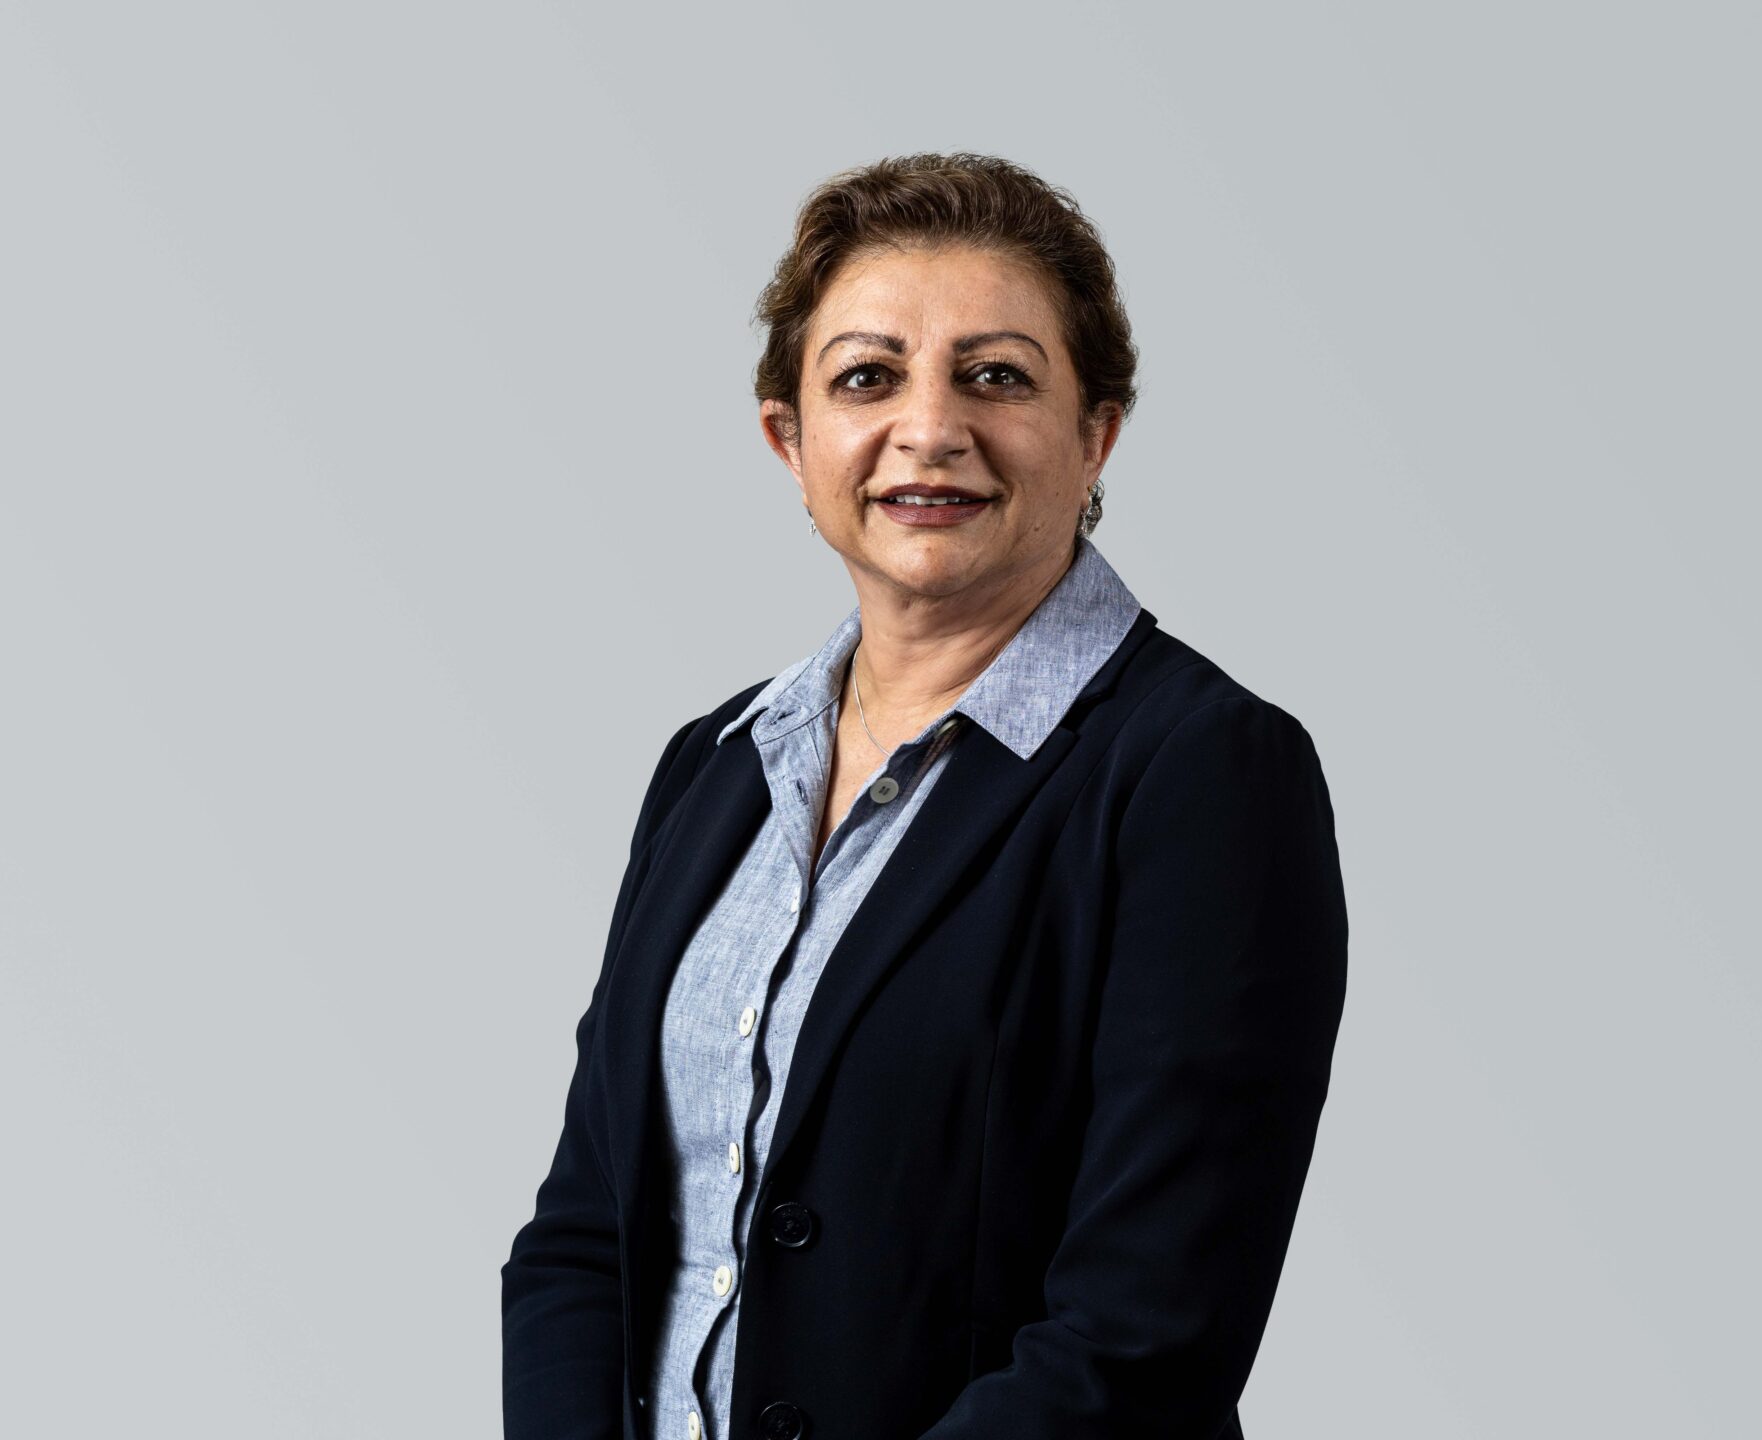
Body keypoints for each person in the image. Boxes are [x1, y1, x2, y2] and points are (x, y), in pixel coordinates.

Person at [501, 152, 1348, 1440]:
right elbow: (585, 1233)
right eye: (868, 377)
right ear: (791, 440)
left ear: (1097, 432)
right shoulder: (715, 764)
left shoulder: (1204, 773)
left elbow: (1145, 1339)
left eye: (997, 375)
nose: (932, 427)